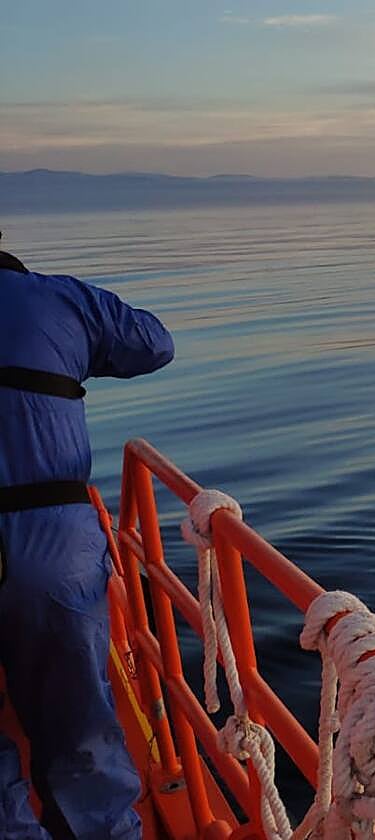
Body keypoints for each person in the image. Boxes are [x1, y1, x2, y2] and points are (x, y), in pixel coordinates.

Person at [0, 233, 174, 839]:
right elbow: (155, 345)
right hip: (55, 549)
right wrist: (72, 342)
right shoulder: (61, 301)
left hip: (47, 539)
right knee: (78, 727)